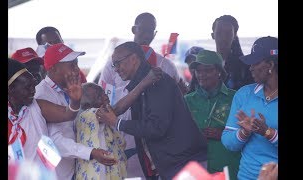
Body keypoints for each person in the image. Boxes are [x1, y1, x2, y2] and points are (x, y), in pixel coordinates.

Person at [96, 41, 207, 180]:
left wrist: (118, 123)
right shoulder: (143, 83)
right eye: (114, 65)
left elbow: (156, 128)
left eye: (117, 63)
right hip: (170, 165)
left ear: (134, 59)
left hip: (184, 165)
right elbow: (116, 109)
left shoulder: (157, 82)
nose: (116, 69)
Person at [98, 13, 180, 178]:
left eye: (151, 31)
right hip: (122, 136)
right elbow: (102, 96)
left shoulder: (166, 64)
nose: (147, 35)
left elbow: (176, 97)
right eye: (143, 30)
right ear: (134, 29)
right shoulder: (112, 63)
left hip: (156, 139)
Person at [34, 43, 112, 180]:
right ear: (53, 69)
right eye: (72, 66)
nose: (77, 70)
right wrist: (91, 152)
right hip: (56, 174)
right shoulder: (42, 95)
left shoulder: (68, 89)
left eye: (76, 64)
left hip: (73, 170)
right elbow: (55, 141)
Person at [8, 58, 82, 171]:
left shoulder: (37, 106)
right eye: (27, 87)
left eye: (33, 85)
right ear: (11, 89)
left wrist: (75, 101)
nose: (33, 90)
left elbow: (68, 114)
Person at [221, 36, 278, 180]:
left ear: (270, 65)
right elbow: (228, 142)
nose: (250, 68)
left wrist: (268, 132)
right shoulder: (244, 94)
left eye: (255, 63)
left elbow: (268, 133)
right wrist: (244, 132)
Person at [184, 50, 241, 180]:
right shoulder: (187, 101)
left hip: (228, 168)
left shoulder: (236, 98)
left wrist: (224, 134)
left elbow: (248, 133)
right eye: (198, 71)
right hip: (196, 170)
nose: (201, 75)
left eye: (207, 70)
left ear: (219, 72)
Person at [75, 83, 127, 180]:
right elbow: (116, 109)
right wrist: (143, 84)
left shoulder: (105, 120)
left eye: (103, 92)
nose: (105, 96)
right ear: (88, 105)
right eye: (99, 96)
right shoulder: (88, 115)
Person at [211, 15, 253, 90]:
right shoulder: (204, 64)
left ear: (234, 36)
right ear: (212, 35)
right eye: (219, 32)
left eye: (228, 33)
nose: (223, 37)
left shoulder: (245, 67)